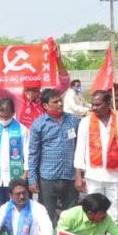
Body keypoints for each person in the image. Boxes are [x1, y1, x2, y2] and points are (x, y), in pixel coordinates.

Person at [74, 90, 118, 220]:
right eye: (92, 104)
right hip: (93, 176)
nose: (94, 108)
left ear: (108, 103)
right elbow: (80, 150)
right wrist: (78, 175)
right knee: (93, 210)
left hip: (115, 177)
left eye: (98, 105)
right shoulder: (85, 122)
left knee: (114, 211)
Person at [28, 89, 81, 223]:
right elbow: (33, 153)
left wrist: (80, 174)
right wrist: (32, 179)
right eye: (55, 102)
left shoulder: (73, 121)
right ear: (45, 106)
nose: (60, 104)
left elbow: (80, 148)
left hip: (70, 176)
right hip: (48, 178)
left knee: (71, 215)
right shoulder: (38, 125)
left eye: (60, 101)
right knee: (47, 216)